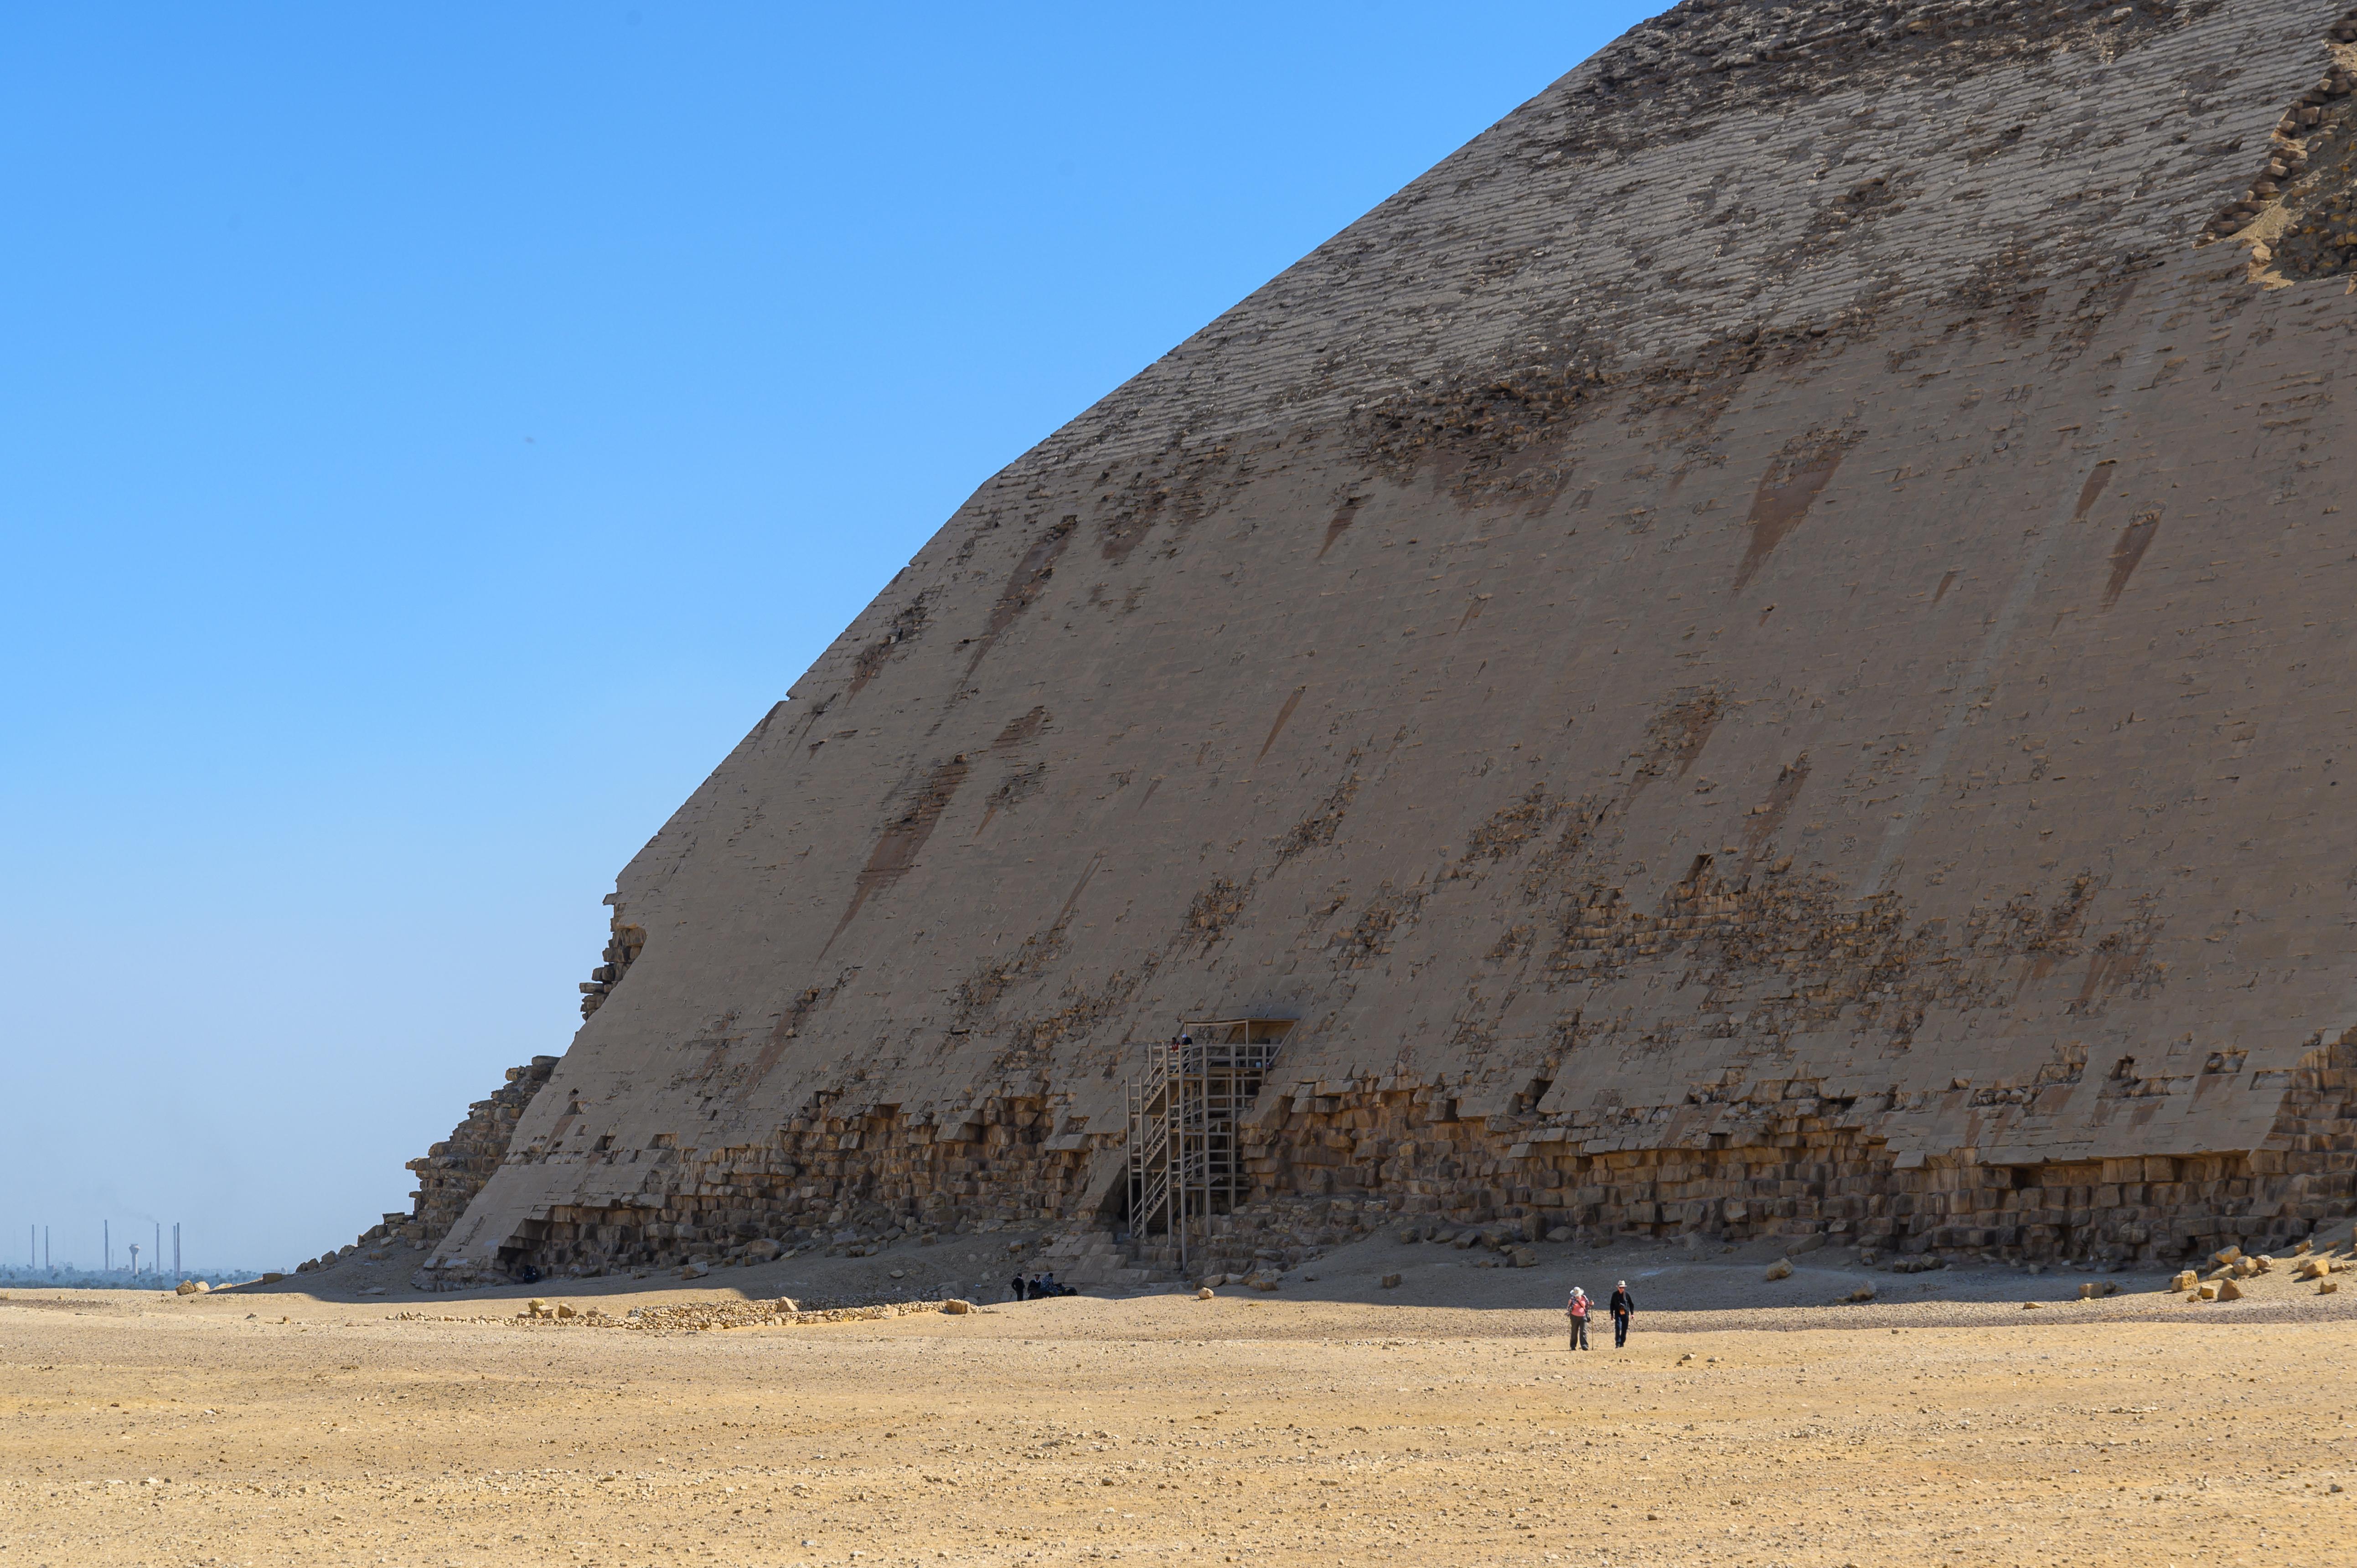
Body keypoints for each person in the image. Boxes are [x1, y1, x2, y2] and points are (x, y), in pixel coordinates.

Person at [1608, 1280, 1635, 1349]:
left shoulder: (1627, 1295)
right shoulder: (1614, 1295)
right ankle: (1618, 1343)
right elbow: (1612, 1305)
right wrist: (1612, 1314)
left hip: (1625, 1314)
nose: (1621, 1289)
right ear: (1618, 1288)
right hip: (1618, 1314)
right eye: (1620, 1288)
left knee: (1624, 1329)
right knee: (1618, 1327)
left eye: (1623, 1288)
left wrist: (1632, 1313)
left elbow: (1631, 1304)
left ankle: (1622, 1343)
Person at [1566, 1287, 1591, 1351]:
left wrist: (1591, 1305)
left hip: (1583, 1316)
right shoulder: (1572, 1299)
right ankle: (1573, 1346)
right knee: (1574, 1331)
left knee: (1583, 1331)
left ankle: (1584, 1346)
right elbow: (1568, 1309)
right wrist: (1569, 1304)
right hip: (1574, 1317)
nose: (1576, 1296)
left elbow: (1588, 1306)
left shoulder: (1584, 1298)